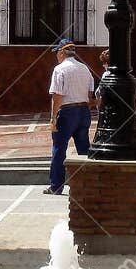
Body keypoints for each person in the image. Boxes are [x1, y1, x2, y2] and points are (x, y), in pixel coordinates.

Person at [45, 39, 94, 195]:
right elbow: (90, 94)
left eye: (57, 53)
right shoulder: (85, 69)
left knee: (59, 149)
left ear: (61, 52)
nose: (56, 57)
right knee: (83, 149)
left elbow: (57, 96)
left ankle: (56, 186)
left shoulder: (60, 70)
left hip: (66, 112)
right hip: (83, 111)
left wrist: (53, 119)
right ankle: (86, 184)